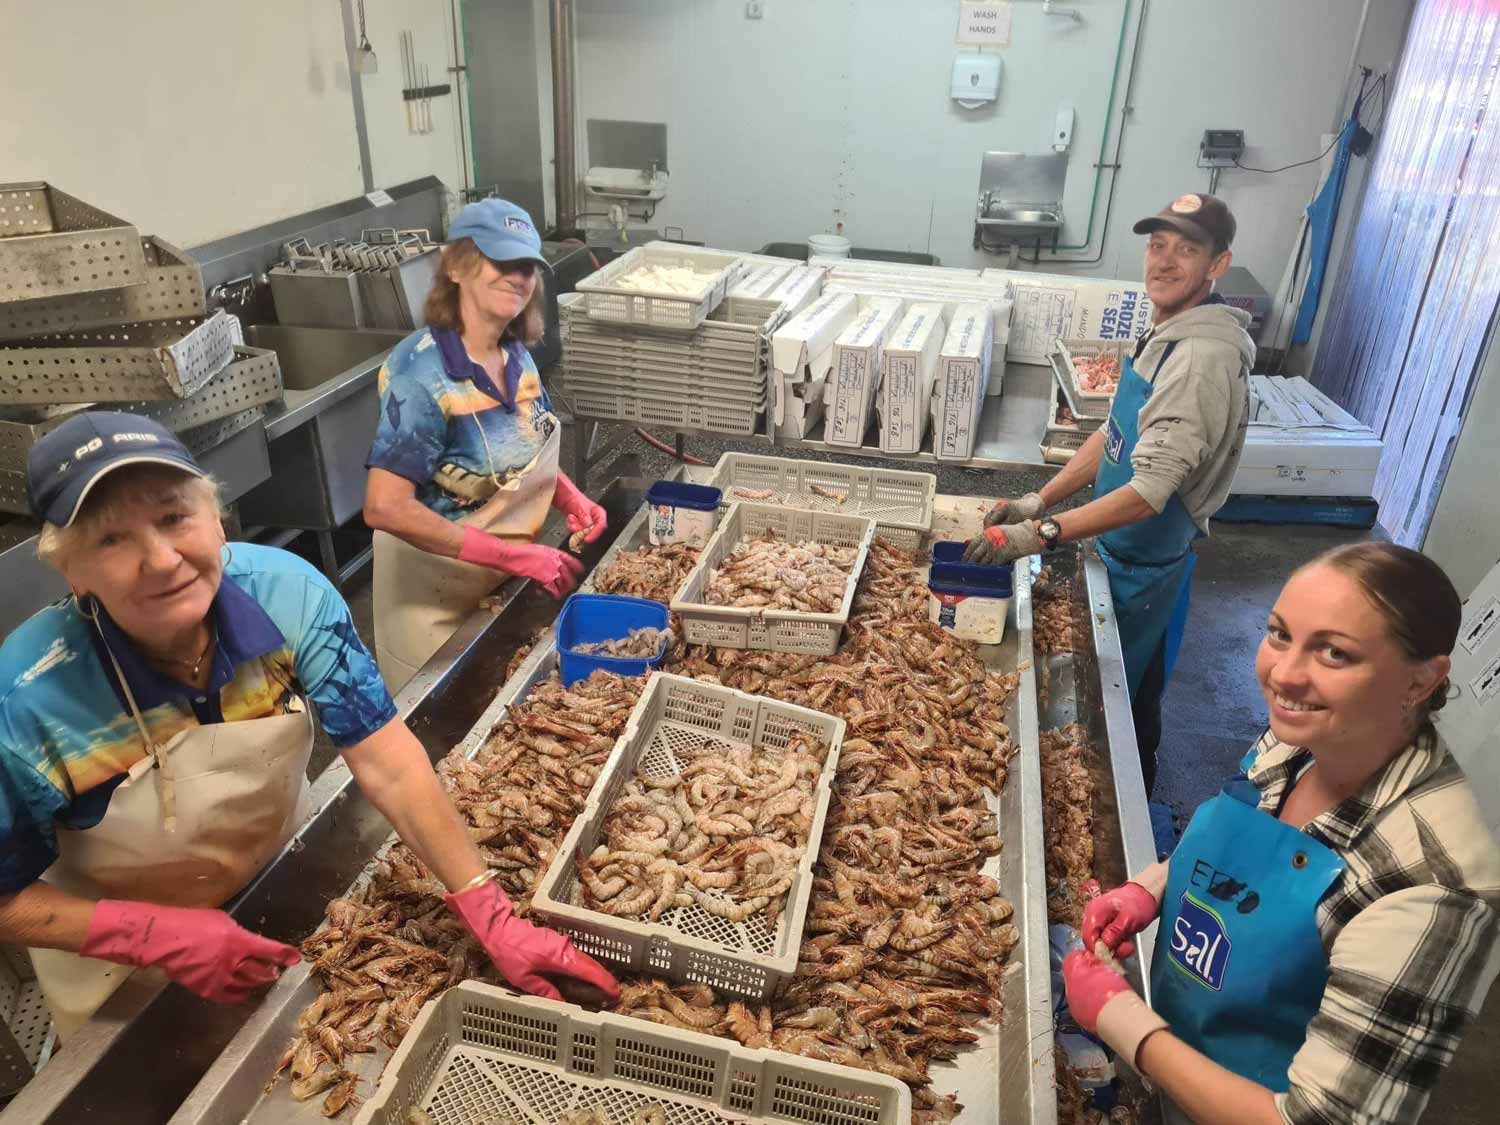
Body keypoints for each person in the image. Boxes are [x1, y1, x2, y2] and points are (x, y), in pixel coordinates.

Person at [0, 413, 617, 1038]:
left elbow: (388, 761)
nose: (161, 560)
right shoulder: (26, 701)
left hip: (276, 893)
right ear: (70, 569)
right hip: (111, 961)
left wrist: (490, 911)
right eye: (111, 540)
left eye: (173, 518)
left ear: (216, 518)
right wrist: (148, 934)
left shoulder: (289, 597)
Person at [1062, 543, 1500, 1125]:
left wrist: (1123, 1023)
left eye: (1335, 654)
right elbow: (1246, 853)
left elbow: (1315, 1120)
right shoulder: (1297, 742)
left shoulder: (1434, 886)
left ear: (1422, 680)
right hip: (1182, 1053)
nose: (1285, 675)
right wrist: (1152, 886)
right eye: (1278, 634)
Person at [965, 194, 1256, 793]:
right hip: (1118, 551)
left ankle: (1131, 817)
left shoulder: (1200, 358)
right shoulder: (1167, 331)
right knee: (1116, 690)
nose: (1166, 262)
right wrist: (1038, 501)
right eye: (1158, 245)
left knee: (1126, 711)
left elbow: (1149, 492)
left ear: (1218, 264)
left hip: (1145, 567)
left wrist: (1036, 535)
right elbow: (1115, 432)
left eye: (1188, 249)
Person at [363, 197, 606, 691]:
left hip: (496, 575)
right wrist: (516, 557)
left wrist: (570, 496)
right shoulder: (421, 372)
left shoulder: (517, 356)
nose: (518, 277)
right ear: (456, 265)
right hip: (431, 595)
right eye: (501, 261)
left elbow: (522, 454)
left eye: (527, 267)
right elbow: (385, 508)